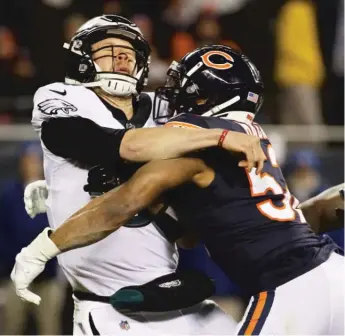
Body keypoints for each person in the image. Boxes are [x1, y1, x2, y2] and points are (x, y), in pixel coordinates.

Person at [12, 45, 344, 335]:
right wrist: (63, 190)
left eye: (190, 90)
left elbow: (124, 198)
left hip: (291, 289)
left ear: (208, 97)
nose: (175, 95)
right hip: (332, 271)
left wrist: (44, 247)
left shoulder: (200, 134)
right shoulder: (252, 138)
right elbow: (193, 233)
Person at [18, 15, 266, 335]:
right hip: (108, 304)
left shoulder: (166, 110)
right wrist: (216, 137)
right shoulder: (63, 96)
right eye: (108, 48)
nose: (121, 56)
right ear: (82, 58)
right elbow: (85, 142)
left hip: (168, 289)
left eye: (129, 51)